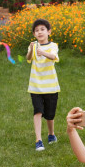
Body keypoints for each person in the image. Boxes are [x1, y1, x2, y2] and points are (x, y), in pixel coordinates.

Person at [26, 18, 60, 151]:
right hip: (35, 86)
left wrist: (43, 52)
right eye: (36, 30)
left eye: (42, 30)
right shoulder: (33, 46)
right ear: (34, 34)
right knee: (38, 111)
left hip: (51, 86)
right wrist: (31, 50)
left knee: (50, 115)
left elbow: (53, 57)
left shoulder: (53, 46)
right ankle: (38, 140)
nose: (39, 32)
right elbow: (28, 58)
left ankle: (51, 134)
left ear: (49, 32)